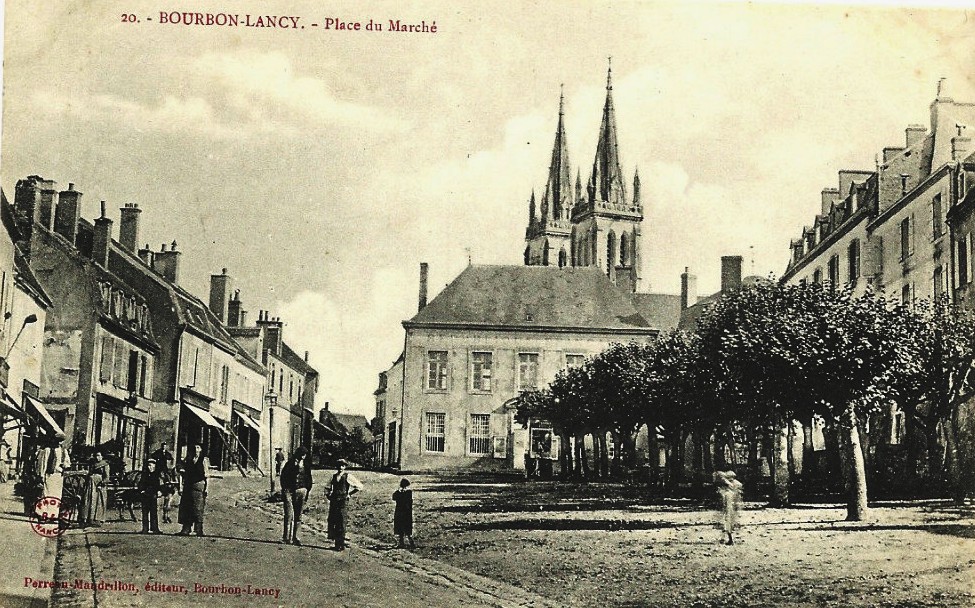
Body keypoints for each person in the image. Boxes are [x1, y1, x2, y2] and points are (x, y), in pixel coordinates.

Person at [324, 459, 362, 550]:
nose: (340, 468)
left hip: (342, 501)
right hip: (334, 501)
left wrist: (349, 494)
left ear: (345, 467)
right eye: (339, 466)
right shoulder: (333, 477)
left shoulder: (348, 476)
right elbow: (327, 487)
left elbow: (359, 486)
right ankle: (337, 544)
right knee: (333, 520)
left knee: (341, 522)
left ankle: (341, 544)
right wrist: (328, 495)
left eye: (342, 466)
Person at [279, 446, 312, 545]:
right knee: (288, 515)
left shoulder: (306, 465)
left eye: (305, 455)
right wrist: (285, 490)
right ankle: (286, 538)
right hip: (289, 491)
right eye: (302, 454)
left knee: (298, 516)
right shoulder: (290, 464)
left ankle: (296, 538)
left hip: (301, 491)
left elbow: (309, 479)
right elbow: (283, 477)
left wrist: (307, 490)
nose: (303, 457)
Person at [177, 444, 208, 536]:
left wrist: (207, 489)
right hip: (188, 485)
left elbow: (207, 475)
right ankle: (186, 529)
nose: (196, 449)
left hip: (198, 485)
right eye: (194, 447)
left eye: (198, 447)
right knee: (186, 507)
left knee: (198, 508)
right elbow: (181, 470)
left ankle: (198, 530)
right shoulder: (188, 459)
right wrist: (180, 486)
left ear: (201, 449)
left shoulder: (204, 460)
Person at [81, 452, 110, 527]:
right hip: (91, 485)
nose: (97, 457)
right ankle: (88, 518)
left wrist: (102, 483)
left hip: (99, 486)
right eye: (96, 456)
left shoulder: (105, 465)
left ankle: (97, 519)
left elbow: (107, 477)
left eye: (99, 455)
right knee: (89, 500)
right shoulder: (93, 464)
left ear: (102, 456)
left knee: (98, 501)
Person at [715, 470, 743, 545]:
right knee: (727, 524)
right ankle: (726, 538)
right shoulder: (733, 487)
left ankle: (729, 539)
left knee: (727, 523)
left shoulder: (728, 492)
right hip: (730, 508)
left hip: (729, 509)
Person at [150, 442, 177, 523]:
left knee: (167, 476)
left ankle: (169, 483)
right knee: (157, 477)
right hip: (159, 468)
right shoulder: (157, 452)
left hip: (165, 469)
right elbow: (153, 457)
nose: (164, 447)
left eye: (165, 446)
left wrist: (170, 464)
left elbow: (171, 459)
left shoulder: (167, 454)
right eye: (163, 446)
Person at [139, 458, 162, 534]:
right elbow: (141, 483)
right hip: (145, 495)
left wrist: (158, 491)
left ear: (154, 466)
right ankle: (145, 529)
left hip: (153, 496)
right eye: (148, 465)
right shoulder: (145, 474)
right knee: (145, 513)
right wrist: (142, 490)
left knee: (153, 513)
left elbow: (158, 485)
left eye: (151, 465)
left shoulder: (156, 475)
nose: (149, 467)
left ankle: (155, 529)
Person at [392, 478, 415, 549]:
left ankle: (402, 543)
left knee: (400, 528)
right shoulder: (409, 492)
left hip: (400, 512)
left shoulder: (399, 492)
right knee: (407, 528)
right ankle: (410, 543)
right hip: (407, 512)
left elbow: (394, 497)